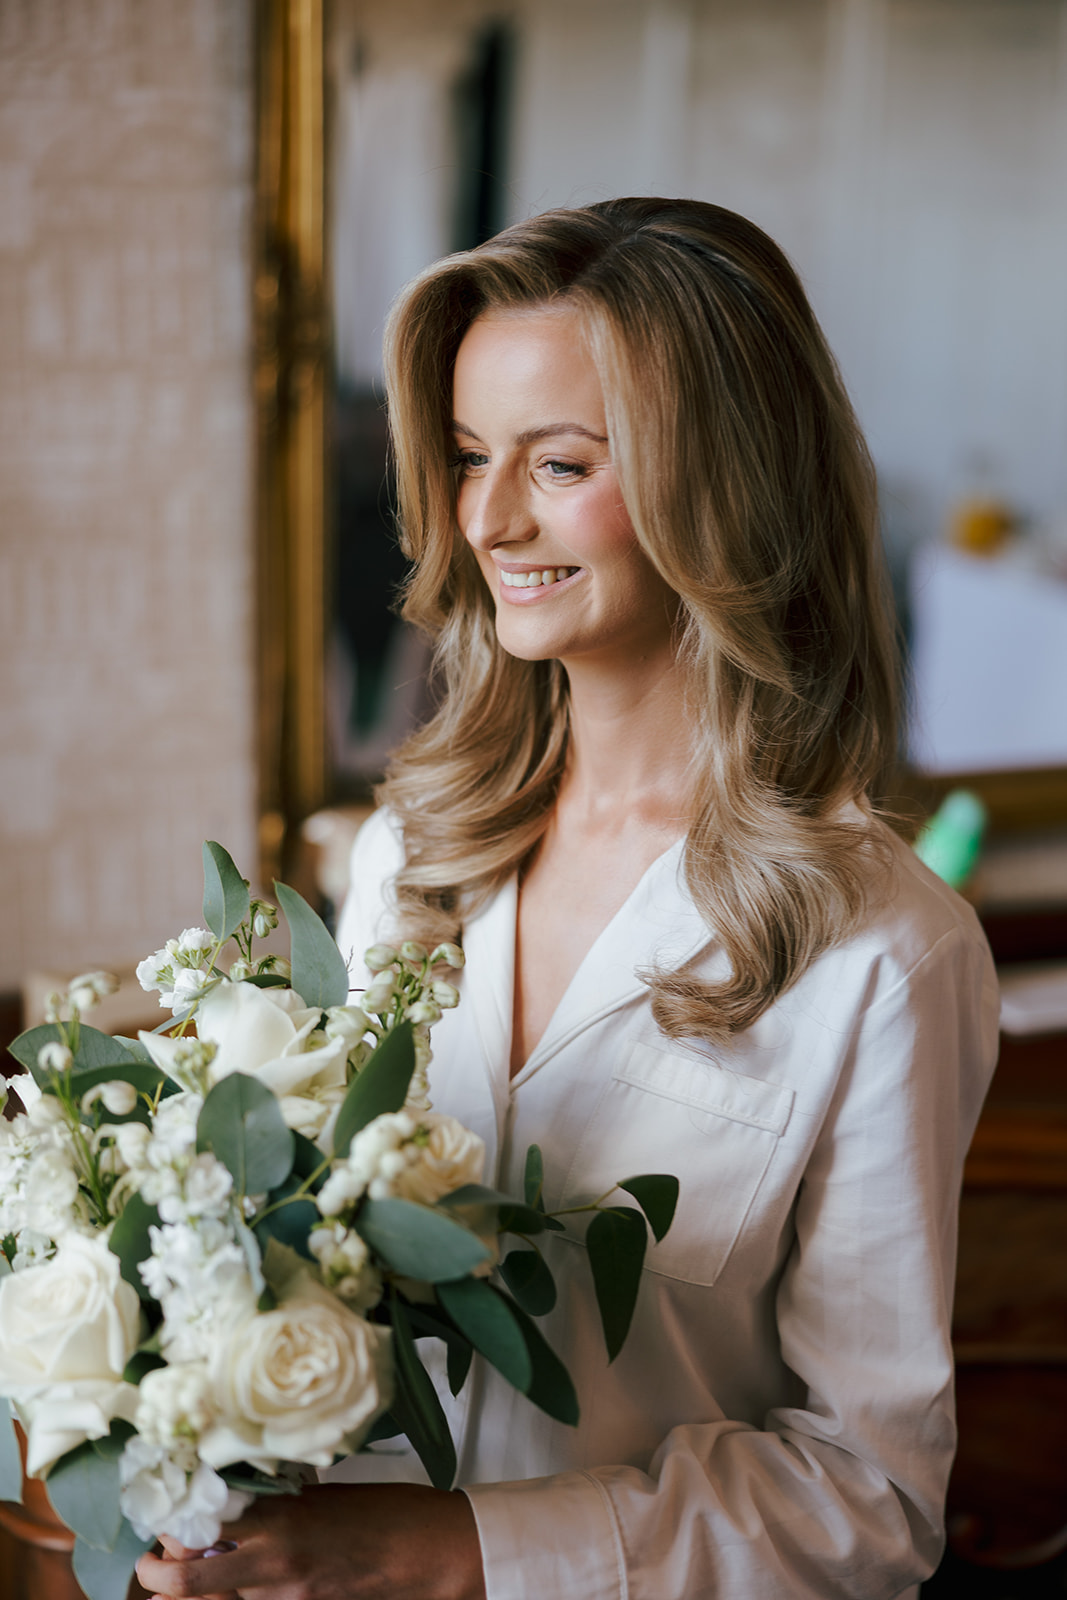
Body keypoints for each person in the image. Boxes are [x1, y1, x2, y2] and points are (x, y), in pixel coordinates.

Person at [139, 197, 998, 1600]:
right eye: (473, 458)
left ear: (721, 481)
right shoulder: (405, 862)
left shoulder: (884, 955)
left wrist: (443, 1557)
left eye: (562, 463)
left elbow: (867, 1503)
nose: (487, 518)